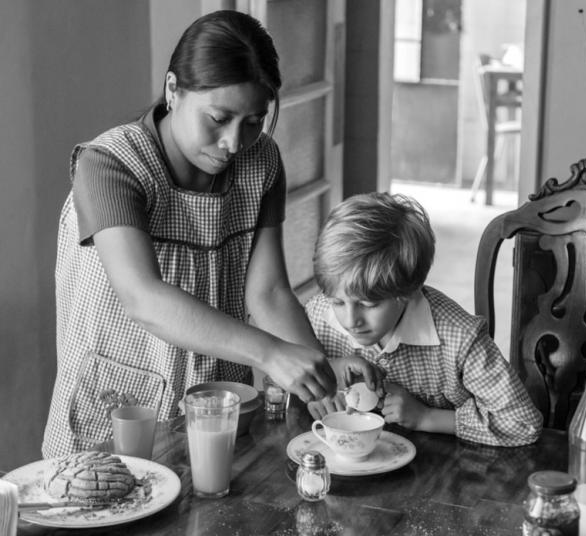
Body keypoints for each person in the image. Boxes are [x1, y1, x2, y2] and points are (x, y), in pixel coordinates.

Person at [43, 10, 379, 458]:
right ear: (172, 91)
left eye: (253, 121)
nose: (234, 143)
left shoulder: (261, 163)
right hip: (117, 405)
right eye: (218, 118)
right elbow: (143, 299)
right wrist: (269, 354)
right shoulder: (109, 166)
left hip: (217, 405)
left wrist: (317, 370)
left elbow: (270, 293)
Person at [305, 193, 543, 447]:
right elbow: (277, 376)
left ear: (408, 290)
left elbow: (523, 423)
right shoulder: (319, 314)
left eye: (369, 304)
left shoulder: (459, 338)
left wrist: (426, 417)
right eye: (338, 302)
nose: (351, 320)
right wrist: (319, 384)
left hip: (447, 470)